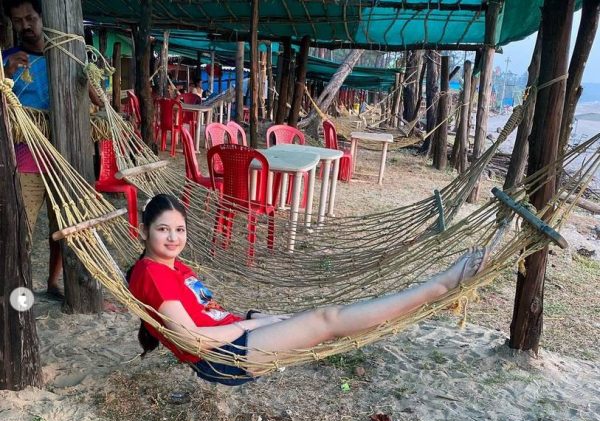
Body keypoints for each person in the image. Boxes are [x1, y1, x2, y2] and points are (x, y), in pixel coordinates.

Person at [127, 194, 490, 387]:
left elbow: (206, 312)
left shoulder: (173, 266)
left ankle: (434, 290)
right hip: (223, 357)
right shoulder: (151, 273)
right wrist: (246, 327)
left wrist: (256, 318)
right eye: (163, 230)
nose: (174, 238)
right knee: (326, 319)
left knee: (327, 319)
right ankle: (440, 286)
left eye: (179, 229)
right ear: (145, 231)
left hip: (236, 337)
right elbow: (193, 340)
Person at [3, 0, 103, 299]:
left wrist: (87, 74)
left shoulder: (67, 54)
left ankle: (54, 283)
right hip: (25, 159)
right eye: (18, 21)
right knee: (21, 228)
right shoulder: (6, 59)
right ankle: (16, 288)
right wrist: (6, 73)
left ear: (43, 17)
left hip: (66, 157)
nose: (25, 26)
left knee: (65, 226)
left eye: (30, 17)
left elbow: (100, 101)